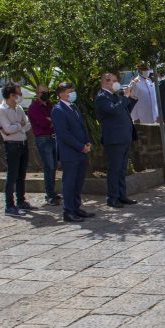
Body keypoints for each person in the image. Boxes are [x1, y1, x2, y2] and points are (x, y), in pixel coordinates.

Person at [50, 82, 93, 222]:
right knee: (69, 182)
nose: (72, 93)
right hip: (70, 153)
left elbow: (82, 127)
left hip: (81, 151)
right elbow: (64, 134)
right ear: (61, 93)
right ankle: (68, 211)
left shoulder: (74, 107)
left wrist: (87, 142)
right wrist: (80, 146)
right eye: (69, 91)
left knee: (78, 181)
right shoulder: (58, 110)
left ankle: (76, 207)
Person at [94, 72, 139, 208]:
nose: (115, 83)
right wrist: (124, 97)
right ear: (106, 82)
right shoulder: (102, 97)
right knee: (114, 169)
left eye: (115, 80)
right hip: (114, 139)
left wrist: (130, 98)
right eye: (112, 80)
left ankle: (121, 195)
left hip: (124, 137)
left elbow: (124, 110)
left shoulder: (115, 96)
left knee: (121, 169)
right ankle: (112, 197)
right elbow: (114, 111)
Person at [0, 82, 33, 216]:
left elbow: (28, 125)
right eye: (18, 93)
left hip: (22, 143)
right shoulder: (1, 110)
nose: (20, 96)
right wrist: (19, 125)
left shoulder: (19, 108)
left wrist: (16, 126)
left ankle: (21, 201)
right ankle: (9, 206)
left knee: (21, 175)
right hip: (12, 145)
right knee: (12, 175)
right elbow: (7, 129)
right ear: (11, 95)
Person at [27, 83, 61, 206]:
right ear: (37, 94)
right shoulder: (34, 107)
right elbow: (43, 123)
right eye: (42, 92)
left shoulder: (50, 105)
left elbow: (56, 119)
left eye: (47, 92)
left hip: (53, 138)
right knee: (49, 167)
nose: (45, 94)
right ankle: (49, 194)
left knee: (54, 167)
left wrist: (51, 121)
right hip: (43, 139)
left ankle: (52, 192)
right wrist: (51, 121)